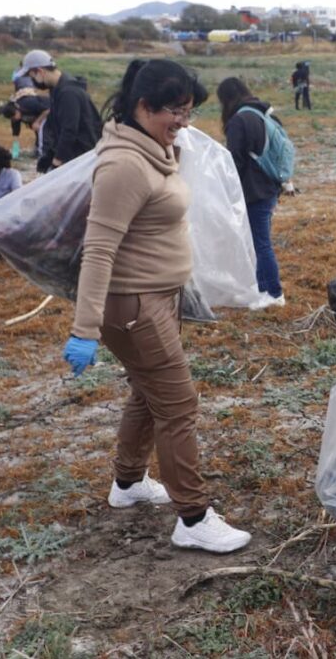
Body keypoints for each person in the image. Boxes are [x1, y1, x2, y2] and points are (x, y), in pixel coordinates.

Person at [62, 58, 251, 555]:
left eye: (189, 111)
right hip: (134, 307)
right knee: (179, 404)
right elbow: (99, 248)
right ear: (144, 106)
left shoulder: (154, 149)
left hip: (157, 300)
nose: (184, 122)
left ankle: (127, 485)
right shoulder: (124, 164)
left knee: (149, 396)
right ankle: (192, 515)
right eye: (177, 111)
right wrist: (84, 328)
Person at [217, 76, 286, 303]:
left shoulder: (239, 120)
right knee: (260, 241)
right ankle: (262, 288)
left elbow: (233, 160)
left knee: (260, 243)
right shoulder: (263, 113)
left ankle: (272, 293)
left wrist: (225, 187)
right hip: (269, 187)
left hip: (253, 191)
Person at [14, 49, 102, 173]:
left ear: (40, 71)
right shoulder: (57, 90)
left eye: (32, 77)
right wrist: (49, 156)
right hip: (75, 157)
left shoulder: (68, 93)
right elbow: (57, 128)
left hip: (81, 158)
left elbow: (69, 130)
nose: (33, 82)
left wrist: (57, 161)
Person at [0, 90, 51, 158]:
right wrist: (15, 150)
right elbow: (16, 135)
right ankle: (39, 150)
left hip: (52, 110)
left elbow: (48, 109)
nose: (16, 119)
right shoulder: (15, 118)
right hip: (39, 116)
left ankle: (45, 153)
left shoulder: (28, 103)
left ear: (16, 110)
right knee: (37, 129)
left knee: (44, 132)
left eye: (15, 116)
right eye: (13, 118)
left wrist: (37, 121)